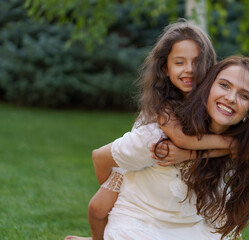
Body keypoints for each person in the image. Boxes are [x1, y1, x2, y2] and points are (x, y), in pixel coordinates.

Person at [65, 20, 237, 240]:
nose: (189, 69)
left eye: (197, 61)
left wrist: (231, 145)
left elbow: (243, 148)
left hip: (166, 192)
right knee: (97, 208)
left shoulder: (215, 106)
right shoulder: (164, 108)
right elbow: (181, 139)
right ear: (165, 68)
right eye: (179, 62)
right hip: (133, 165)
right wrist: (227, 144)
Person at [100, 55, 249, 240]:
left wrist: (190, 153)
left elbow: (219, 219)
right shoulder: (160, 137)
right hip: (138, 228)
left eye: (244, 95)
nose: (231, 98)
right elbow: (101, 157)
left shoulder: (239, 149)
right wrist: (107, 194)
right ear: (208, 87)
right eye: (224, 85)